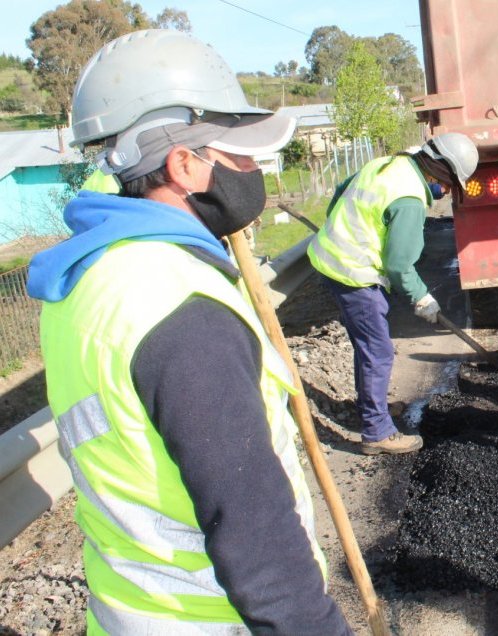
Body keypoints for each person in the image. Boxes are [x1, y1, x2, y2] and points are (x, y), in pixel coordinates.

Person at [27, 30, 349, 632]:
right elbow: (255, 535)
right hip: (214, 618)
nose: (253, 171)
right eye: (241, 156)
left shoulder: (87, 279)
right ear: (184, 165)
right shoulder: (179, 308)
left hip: (128, 615)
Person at [307, 132, 478, 455]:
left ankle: (372, 409)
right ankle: (377, 431)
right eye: (451, 185)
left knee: (368, 346)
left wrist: (338, 229)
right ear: (440, 172)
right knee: (377, 350)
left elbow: (341, 191)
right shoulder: (410, 200)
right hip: (353, 273)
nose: (446, 193)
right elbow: (400, 265)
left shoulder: (389, 164)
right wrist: (422, 298)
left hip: (330, 260)